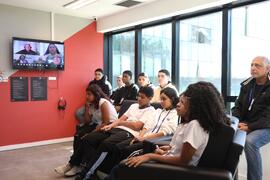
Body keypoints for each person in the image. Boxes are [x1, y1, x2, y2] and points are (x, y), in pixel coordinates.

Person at [123, 81, 230, 168]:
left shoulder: (195, 125)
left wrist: (150, 156)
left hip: (174, 171)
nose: (177, 104)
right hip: (169, 164)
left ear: (195, 105)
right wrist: (164, 151)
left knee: (123, 166)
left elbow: (183, 161)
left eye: (182, 102)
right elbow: (178, 150)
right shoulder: (188, 123)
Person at [75, 86, 156, 179]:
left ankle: (86, 173)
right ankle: (95, 170)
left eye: (142, 97)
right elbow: (120, 119)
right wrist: (110, 126)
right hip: (117, 128)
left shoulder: (151, 111)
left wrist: (121, 123)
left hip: (130, 132)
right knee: (88, 139)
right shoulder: (133, 106)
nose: (139, 99)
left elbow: (136, 126)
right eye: (138, 96)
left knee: (106, 144)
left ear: (150, 99)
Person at [96, 87, 179, 174]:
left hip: (153, 141)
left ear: (172, 99)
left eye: (164, 99)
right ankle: (110, 172)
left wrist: (143, 138)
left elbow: (165, 132)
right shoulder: (157, 111)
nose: (161, 101)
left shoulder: (175, 114)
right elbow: (147, 125)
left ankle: (117, 174)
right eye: (160, 99)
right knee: (118, 147)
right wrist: (140, 136)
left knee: (127, 150)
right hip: (144, 137)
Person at [54, 84, 118, 177]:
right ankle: (76, 164)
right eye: (86, 94)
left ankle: (73, 164)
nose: (87, 97)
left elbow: (106, 122)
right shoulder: (91, 104)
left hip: (109, 126)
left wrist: (90, 133)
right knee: (78, 135)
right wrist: (87, 108)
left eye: (89, 94)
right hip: (99, 125)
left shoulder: (103, 103)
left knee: (86, 137)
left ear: (96, 94)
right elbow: (87, 121)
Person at [232, 56, 270, 180]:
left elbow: (268, 117)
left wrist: (250, 127)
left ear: (268, 69)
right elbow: (237, 107)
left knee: (250, 141)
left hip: (266, 126)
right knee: (225, 135)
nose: (253, 68)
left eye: (257, 65)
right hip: (246, 124)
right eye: (252, 65)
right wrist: (237, 122)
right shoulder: (247, 85)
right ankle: (228, 176)